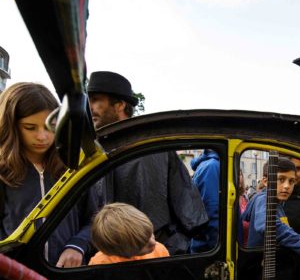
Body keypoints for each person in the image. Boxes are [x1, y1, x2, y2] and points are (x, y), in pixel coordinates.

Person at [0, 83, 94, 268]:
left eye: (50, 126)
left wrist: (78, 245)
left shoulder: (75, 167)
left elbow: (94, 219)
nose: (42, 136)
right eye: (30, 127)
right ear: (10, 126)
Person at [87, 71, 208, 255]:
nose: (90, 107)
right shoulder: (94, 150)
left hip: (154, 262)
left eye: (96, 100)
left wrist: (166, 251)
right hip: (108, 262)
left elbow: (190, 211)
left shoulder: (155, 148)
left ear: (120, 105)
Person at [242, 157, 300, 280]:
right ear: (265, 181)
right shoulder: (263, 200)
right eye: (281, 179)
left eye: (291, 181)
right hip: (259, 274)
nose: (286, 186)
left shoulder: (276, 202)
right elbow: (268, 225)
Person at [89, 203, 170, 265]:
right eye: (142, 245)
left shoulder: (160, 250)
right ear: (121, 251)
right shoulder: (100, 263)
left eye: (150, 234)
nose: (154, 243)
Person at [190, 149, 220, 252]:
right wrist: (217, 249)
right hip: (208, 248)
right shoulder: (212, 167)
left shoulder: (210, 165)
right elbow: (212, 211)